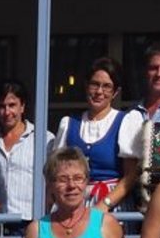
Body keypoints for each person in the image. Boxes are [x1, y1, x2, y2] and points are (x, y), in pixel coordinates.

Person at [53, 57, 142, 211]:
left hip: (112, 206)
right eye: (95, 84)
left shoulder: (125, 122)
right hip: (73, 203)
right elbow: (56, 171)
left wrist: (104, 204)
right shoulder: (69, 123)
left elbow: (131, 175)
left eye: (107, 86)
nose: (99, 91)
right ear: (86, 86)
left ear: (115, 92)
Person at [0, 79, 50, 220]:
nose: (7, 112)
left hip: (32, 220)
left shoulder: (43, 139)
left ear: (22, 106)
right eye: (1, 106)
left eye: (12, 105)